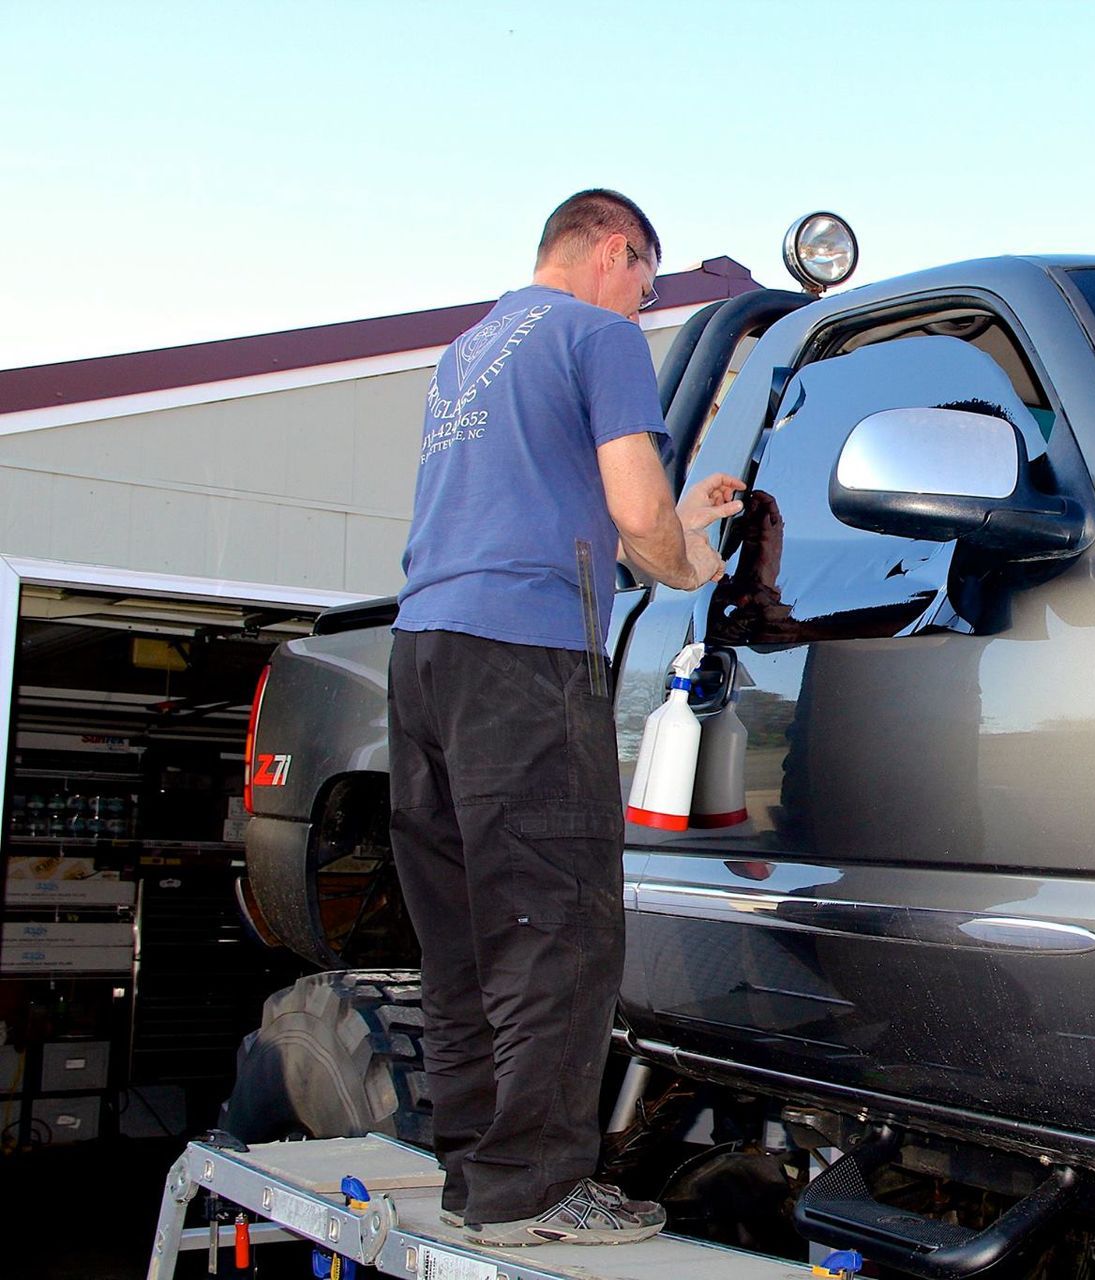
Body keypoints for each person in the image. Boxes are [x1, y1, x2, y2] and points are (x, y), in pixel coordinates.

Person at [388, 188, 742, 1247]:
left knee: (463, 936)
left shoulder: (471, 351)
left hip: (426, 655)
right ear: (614, 249)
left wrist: (671, 517)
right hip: (524, 660)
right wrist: (687, 556)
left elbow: (554, 504)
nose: (643, 303)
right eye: (646, 281)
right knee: (558, 927)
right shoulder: (597, 334)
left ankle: (475, 1172)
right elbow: (637, 521)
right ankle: (536, 1190)